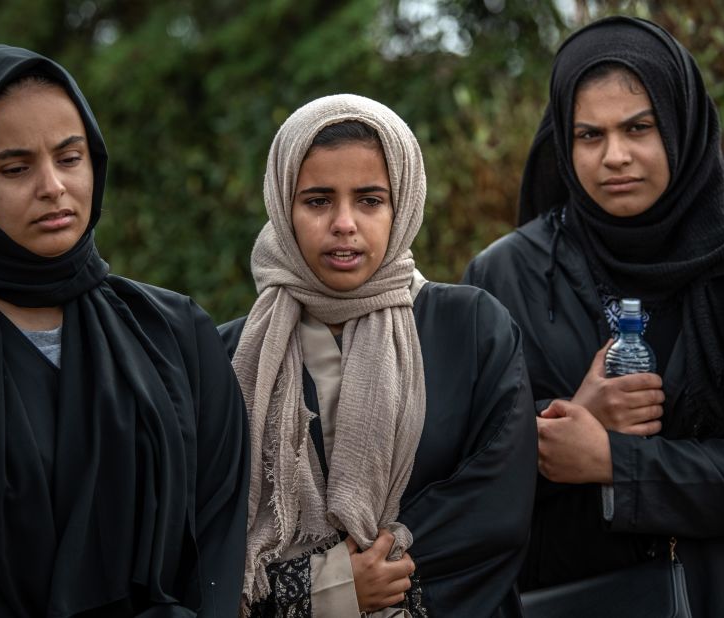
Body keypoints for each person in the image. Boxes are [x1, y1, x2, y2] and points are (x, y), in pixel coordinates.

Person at [463, 16, 724, 617]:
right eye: (589, 135)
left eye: (639, 128)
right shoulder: (507, 278)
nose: (615, 157)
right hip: (576, 598)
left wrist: (614, 463)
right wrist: (555, 437)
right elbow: (458, 479)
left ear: (680, 125)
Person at [0, 44, 249, 617]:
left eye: (70, 157)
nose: (53, 186)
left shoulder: (175, 330)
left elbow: (218, 531)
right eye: (15, 168)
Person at [219, 94, 537, 617]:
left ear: (403, 204)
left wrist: (368, 583)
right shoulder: (234, 357)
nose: (344, 223)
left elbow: (494, 509)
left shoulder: (472, 328)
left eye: (370, 200)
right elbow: (209, 534)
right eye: (318, 200)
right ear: (282, 206)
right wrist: (321, 590)